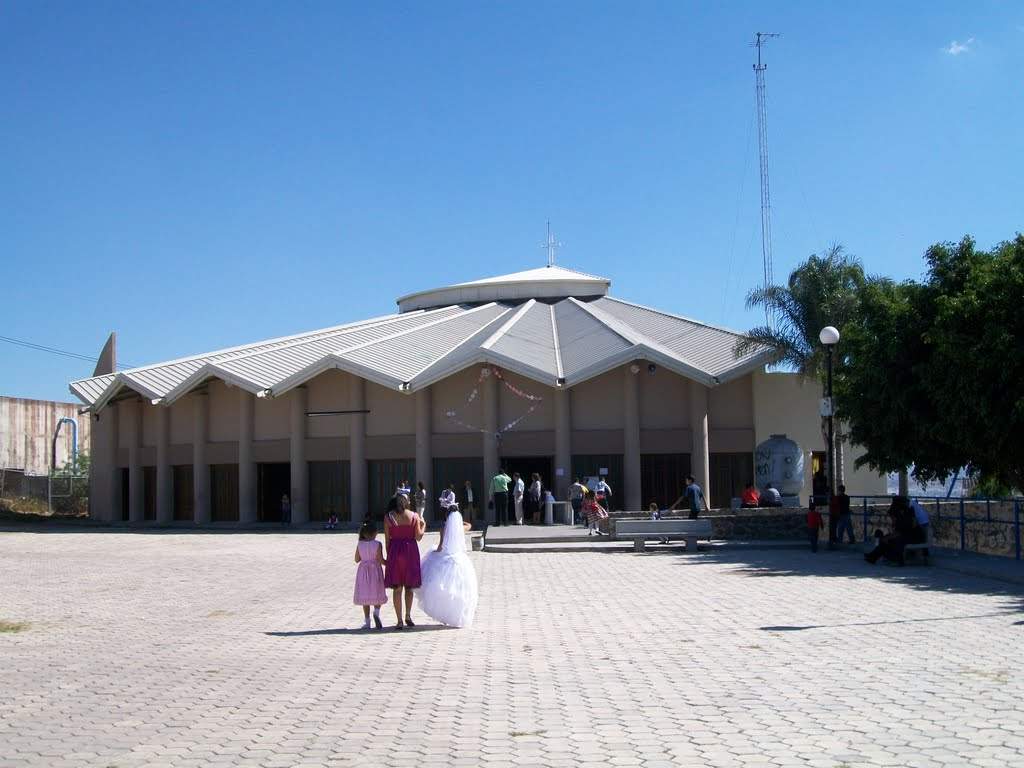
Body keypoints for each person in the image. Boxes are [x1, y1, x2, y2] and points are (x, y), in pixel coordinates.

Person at [418, 503, 479, 628]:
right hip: (460, 559)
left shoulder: (443, 529)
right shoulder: (462, 528)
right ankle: (457, 615)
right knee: (459, 589)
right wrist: (460, 522)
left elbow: (440, 547)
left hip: (446, 558)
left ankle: (445, 614)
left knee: (445, 589)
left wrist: (433, 552)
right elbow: (469, 525)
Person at [384, 495, 425, 629]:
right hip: (410, 551)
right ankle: (408, 615)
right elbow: (418, 537)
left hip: (395, 552)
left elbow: (387, 540)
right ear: (406, 503)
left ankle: (399, 620)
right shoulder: (414, 516)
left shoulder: (388, 517)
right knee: (409, 586)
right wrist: (423, 526)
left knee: (397, 588)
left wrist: (389, 557)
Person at [353, 520, 387, 629]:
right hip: (375, 570)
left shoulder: (360, 544)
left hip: (363, 571)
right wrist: (389, 564)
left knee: (365, 594)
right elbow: (381, 560)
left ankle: (367, 621)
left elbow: (356, 559)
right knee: (377, 591)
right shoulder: (377, 544)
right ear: (374, 533)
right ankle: (376, 612)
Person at [864, 496, 917, 566]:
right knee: (885, 539)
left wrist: (887, 537)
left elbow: (900, 533)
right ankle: (873, 556)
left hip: (909, 538)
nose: (892, 520)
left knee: (888, 540)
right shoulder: (906, 513)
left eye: (892, 517)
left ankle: (875, 557)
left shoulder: (902, 519)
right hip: (907, 536)